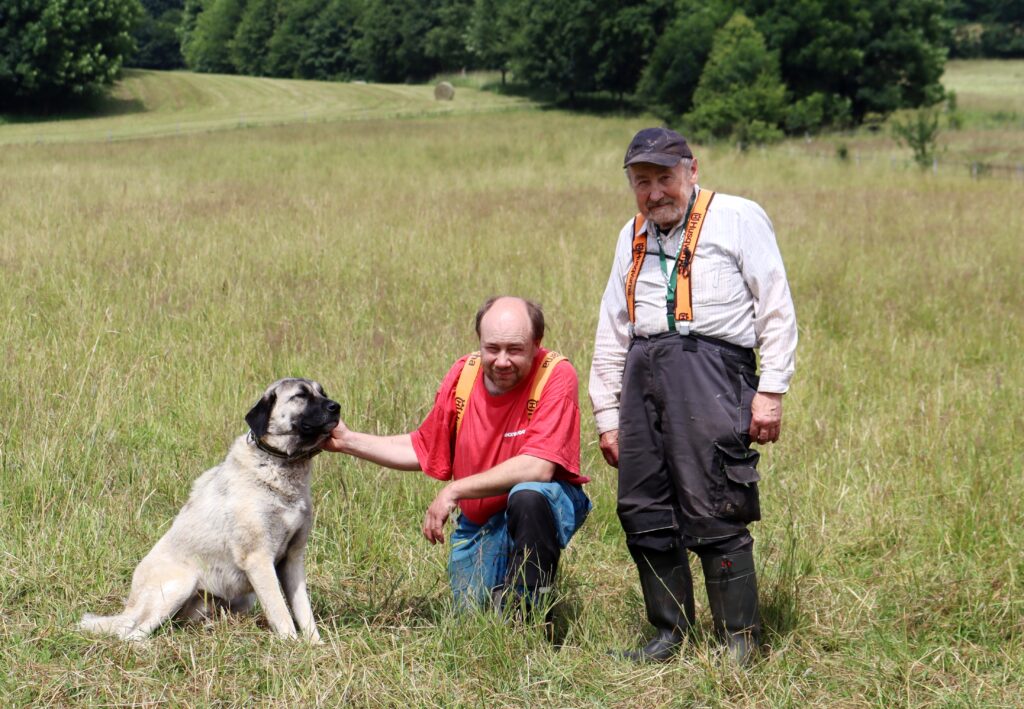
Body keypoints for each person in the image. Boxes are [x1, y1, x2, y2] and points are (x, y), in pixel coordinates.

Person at [590, 127, 797, 664]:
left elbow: (774, 304)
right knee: (643, 507)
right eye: (643, 182)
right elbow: (613, 325)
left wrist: (770, 391)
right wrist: (607, 413)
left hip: (712, 372)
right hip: (641, 375)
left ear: (692, 170)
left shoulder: (738, 216)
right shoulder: (629, 233)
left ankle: (739, 641)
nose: (655, 192)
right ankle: (668, 635)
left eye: (665, 178)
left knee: (716, 504)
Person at [323, 296, 590, 616]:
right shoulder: (464, 376)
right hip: (478, 521)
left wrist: (454, 489)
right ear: (479, 342)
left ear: (536, 344)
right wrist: (348, 441)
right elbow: (423, 447)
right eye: (492, 348)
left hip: (542, 504)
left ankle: (530, 613)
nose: (502, 361)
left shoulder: (555, 375)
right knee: (472, 619)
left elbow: (539, 466)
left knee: (528, 496)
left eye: (515, 350)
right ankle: (504, 598)